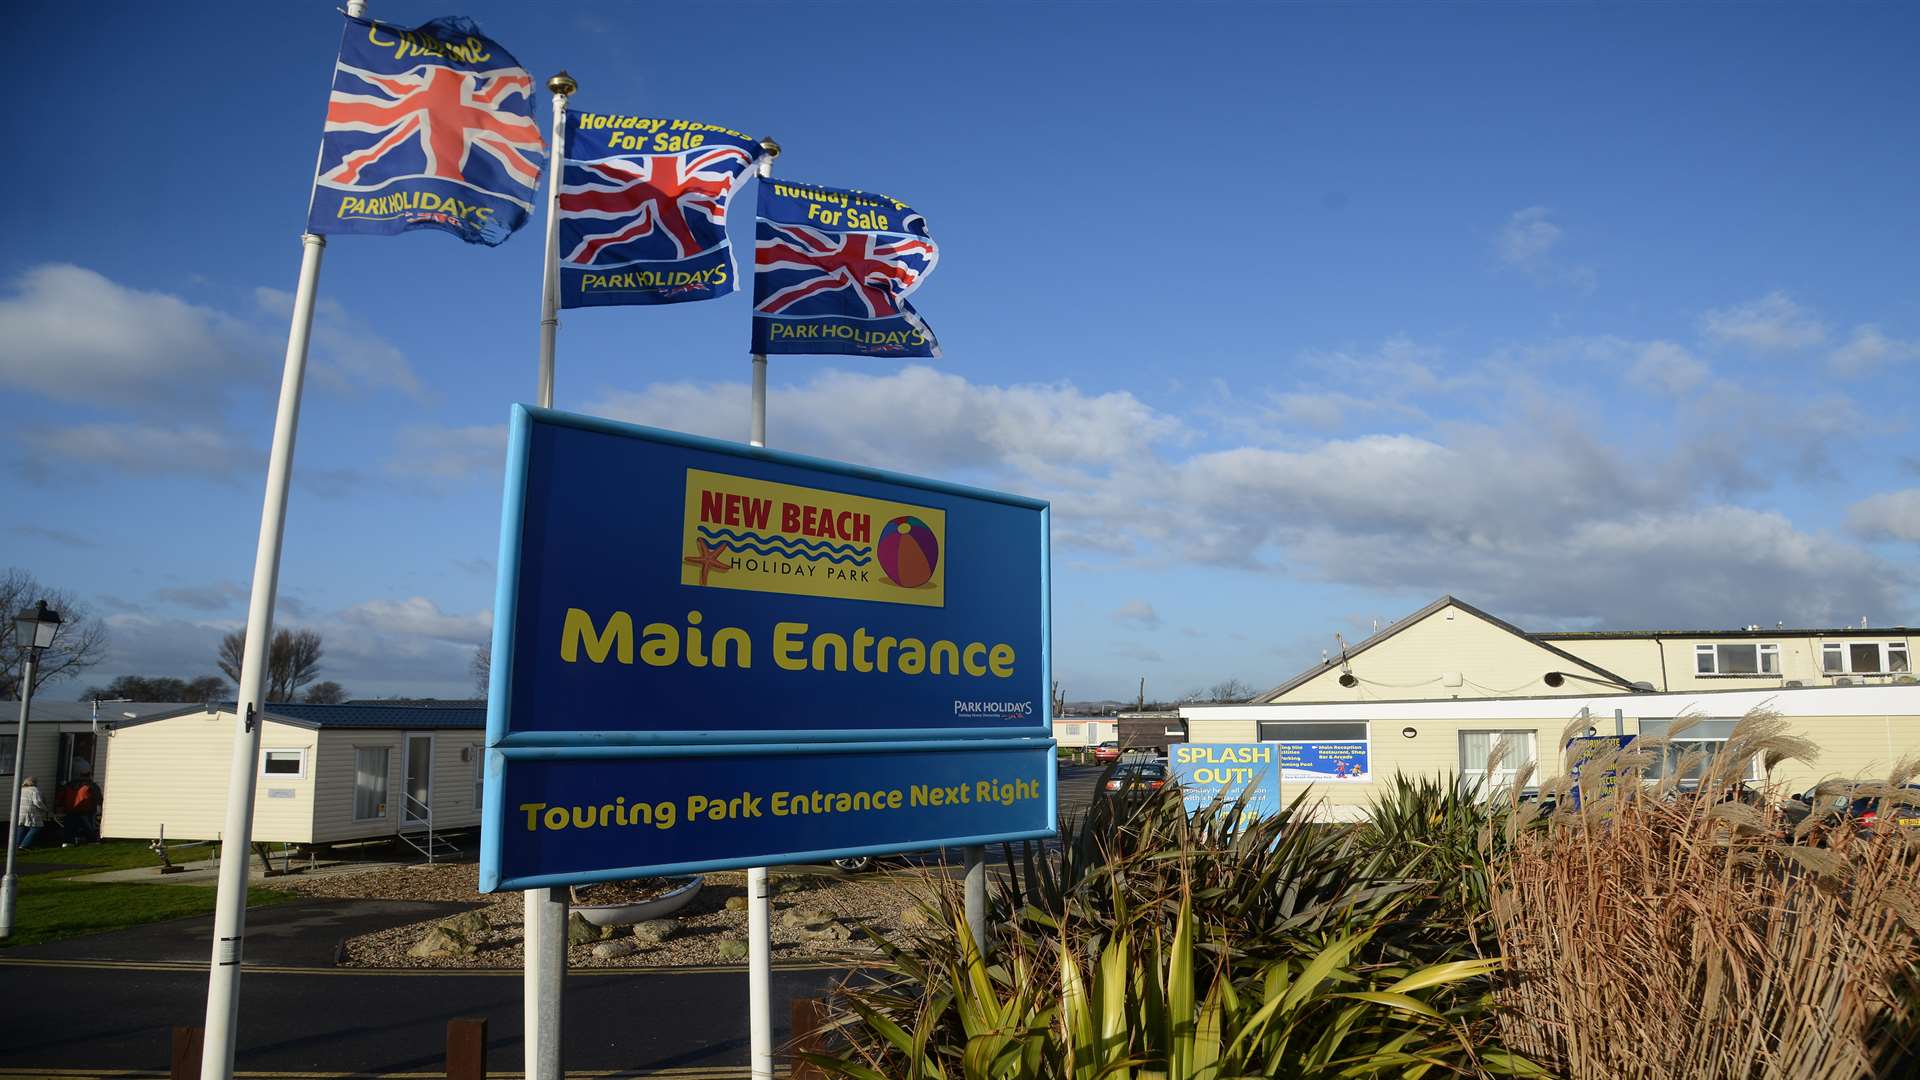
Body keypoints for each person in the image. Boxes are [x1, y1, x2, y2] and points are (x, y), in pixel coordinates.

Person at [16, 776, 51, 850]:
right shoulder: (34, 790)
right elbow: (37, 802)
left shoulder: (21, 790)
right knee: (36, 827)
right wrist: (45, 809)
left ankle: (16, 845)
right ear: (34, 782)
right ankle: (24, 845)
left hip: (19, 811)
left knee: (21, 827)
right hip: (30, 812)